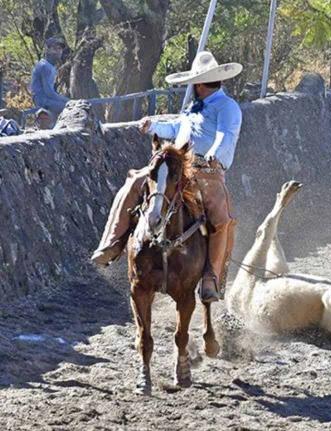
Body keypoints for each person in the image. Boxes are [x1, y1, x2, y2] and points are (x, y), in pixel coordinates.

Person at [92, 52, 243, 303]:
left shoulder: (228, 107)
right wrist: (153, 126)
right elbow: (175, 128)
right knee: (135, 182)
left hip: (207, 171)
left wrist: (214, 155)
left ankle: (211, 277)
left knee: (220, 216)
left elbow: (225, 135)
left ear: (199, 84)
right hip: (177, 167)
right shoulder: (192, 109)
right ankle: (112, 242)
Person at [30, 37, 69, 118]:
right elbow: (49, 92)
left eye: (60, 49)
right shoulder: (44, 66)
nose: (58, 51)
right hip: (42, 101)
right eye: (54, 48)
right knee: (71, 109)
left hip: (48, 100)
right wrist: (69, 101)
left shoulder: (51, 66)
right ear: (47, 50)